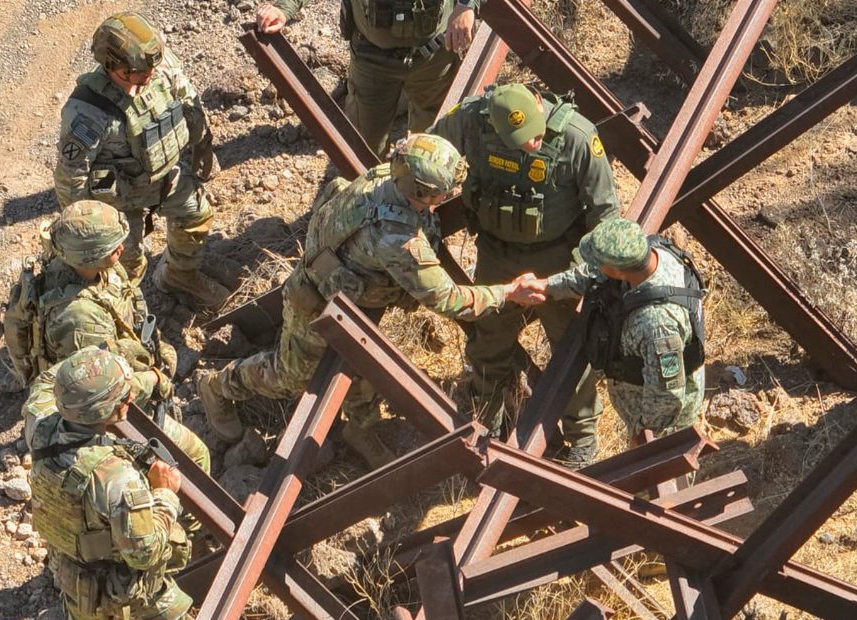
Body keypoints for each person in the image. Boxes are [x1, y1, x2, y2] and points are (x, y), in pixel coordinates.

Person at [198, 133, 542, 467]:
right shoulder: (397, 239)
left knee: (364, 367)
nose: (450, 194)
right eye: (444, 192)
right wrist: (508, 292)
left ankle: (358, 428)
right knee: (291, 377)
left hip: (354, 302)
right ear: (423, 193)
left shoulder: (386, 176)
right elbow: (448, 300)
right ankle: (219, 387)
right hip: (318, 305)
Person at [429, 82, 619, 462]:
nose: (530, 144)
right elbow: (430, 149)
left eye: (534, 134)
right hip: (496, 255)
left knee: (569, 348)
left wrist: (583, 276)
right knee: (488, 339)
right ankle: (489, 415)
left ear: (539, 105)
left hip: (555, 262)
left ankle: (581, 435)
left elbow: (605, 214)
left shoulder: (578, 137)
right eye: (518, 139)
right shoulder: (472, 119)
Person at [24, 347, 194, 620]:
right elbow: (145, 552)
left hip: (78, 583)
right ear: (104, 410)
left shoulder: (38, 422)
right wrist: (164, 493)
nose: (130, 399)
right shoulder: (116, 480)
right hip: (131, 594)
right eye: (123, 397)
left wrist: (91, 367)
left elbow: (47, 379)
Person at [1, 199, 210, 472]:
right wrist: (152, 380)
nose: (122, 249)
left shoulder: (89, 264)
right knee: (195, 456)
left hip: (111, 360)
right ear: (88, 257)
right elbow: (102, 388)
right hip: (100, 405)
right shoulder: (80, 320)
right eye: (112, 247)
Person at [54, 11, 230, 308]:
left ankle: (179, 275)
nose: (147, 76)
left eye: (150, 68)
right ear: (112, 66)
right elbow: (71, 179)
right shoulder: (86, 113)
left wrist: (202, 145)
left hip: (165, 176)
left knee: (196, 219)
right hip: (118, 199)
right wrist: (88, 237)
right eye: (134, 72)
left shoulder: (156, 69)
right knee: (124, 267)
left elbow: (189, 102)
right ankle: (125, 315)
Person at [521, 219, 706, 447]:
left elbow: (667, 397)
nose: (596, 266)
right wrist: (547, 286)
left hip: (664, 423)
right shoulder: (652, 254)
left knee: (662, 475)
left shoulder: (657, 325)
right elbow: (594, 274)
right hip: (647, 400)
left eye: (601, 262)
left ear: (618, 272)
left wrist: (642, 437)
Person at [255, 0, 479, 153]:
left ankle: (422, 205)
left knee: (432, 142)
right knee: (364, 144)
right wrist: (283, 9)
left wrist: (466, 6)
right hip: (372, 59)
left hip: (433, 58)